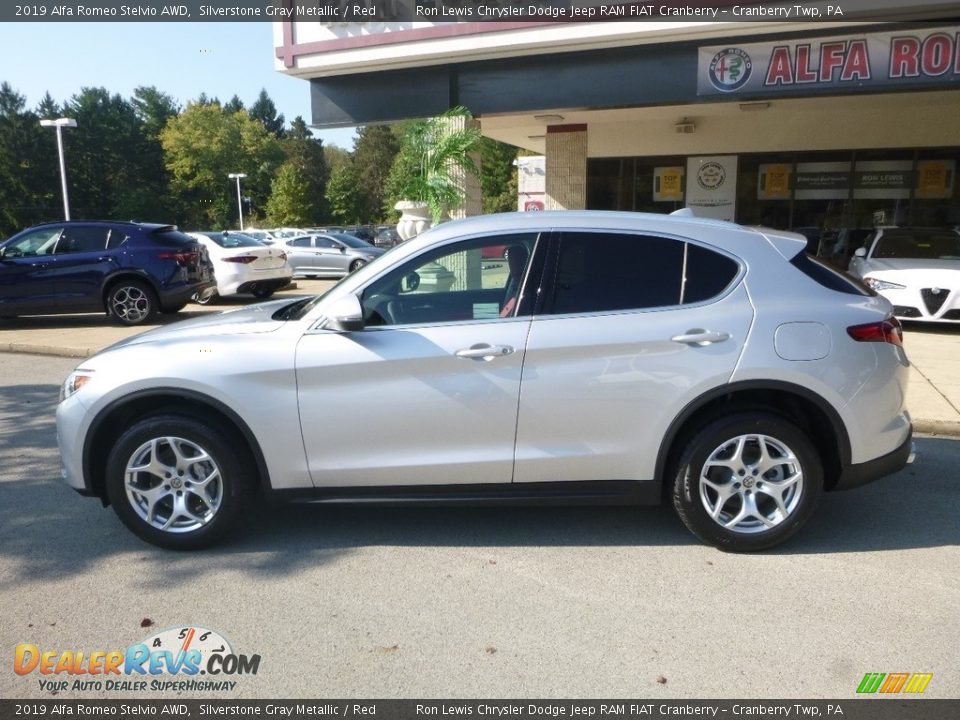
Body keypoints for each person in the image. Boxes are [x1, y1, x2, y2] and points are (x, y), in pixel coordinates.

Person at [499, 244, 529, 317]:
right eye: (511, 260)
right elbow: (505, 313)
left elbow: (505, 314)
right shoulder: (516, 282)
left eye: (515, 260)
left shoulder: (526, 285)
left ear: (523, 261)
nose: (512, 264)